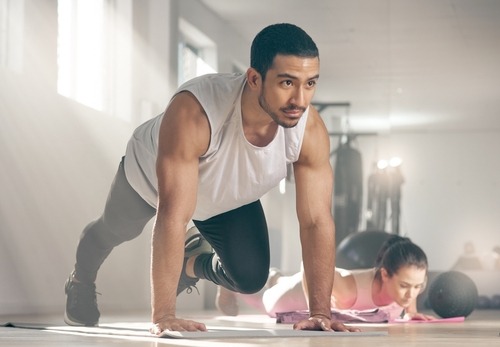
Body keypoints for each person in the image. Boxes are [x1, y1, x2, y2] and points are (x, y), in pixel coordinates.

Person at [64, 23, 357, 334]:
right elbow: (173, 215)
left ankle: (191, 260)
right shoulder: (196, 111)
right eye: (287, 82)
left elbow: (315, 222)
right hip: (149, 178)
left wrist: (321, 312)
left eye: (310, 83)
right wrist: (164, 315)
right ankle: (81, 279)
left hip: (225, 194)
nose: (300, 99)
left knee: (249, 278)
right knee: (109, 232)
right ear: (254, 79)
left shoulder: (309, 129)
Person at [216, 235, 436, 321]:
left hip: (299, 285)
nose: (412, 293)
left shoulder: (404, 284)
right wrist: (318, 309)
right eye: (406, 286)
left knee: (280, 280)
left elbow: (411, 285)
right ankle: (228, 282)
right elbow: (310, 260)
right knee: (263, 299)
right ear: (385, 274)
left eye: (419, 286)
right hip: (293, 296)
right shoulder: (348, 288)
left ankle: (275, 276)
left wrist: (413, 313)